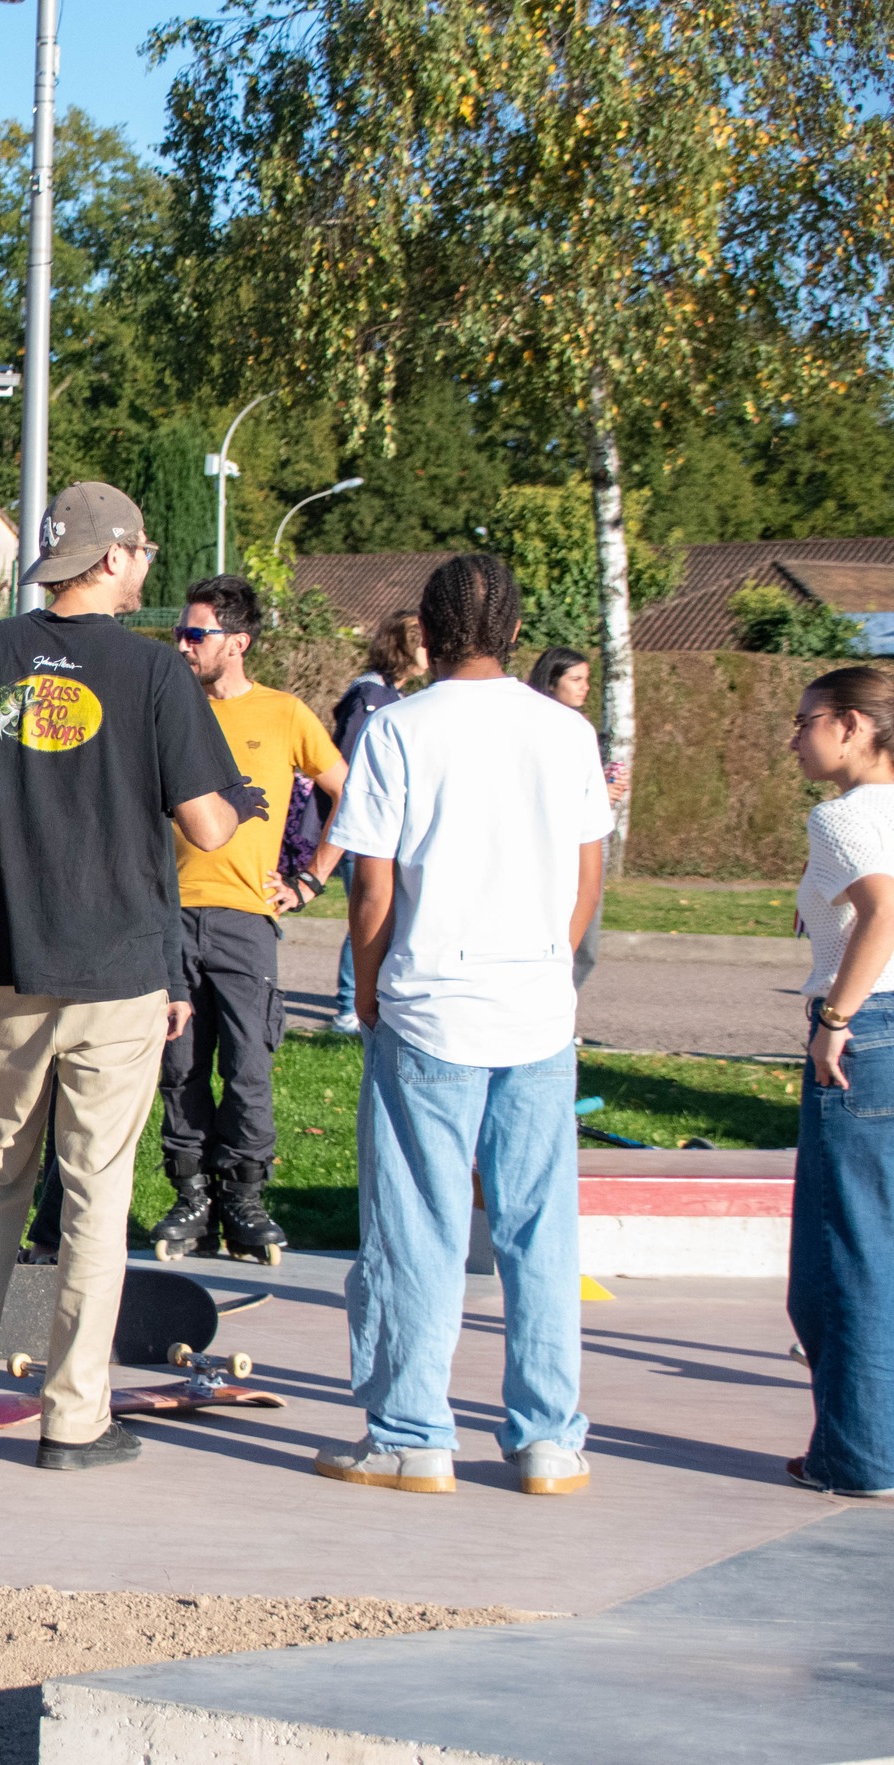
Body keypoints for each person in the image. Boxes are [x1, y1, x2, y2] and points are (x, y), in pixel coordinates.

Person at [0, 482, 256, 1471]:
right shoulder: (152, 676)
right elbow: (208, 826)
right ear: (109, 558)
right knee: (94, 1190)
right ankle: (70, 1417)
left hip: (0, 961)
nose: (144, 563)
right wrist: (236, 793)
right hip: (115, 972)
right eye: (139, 548)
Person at [318, 554, 611, 1498]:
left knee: (418, 1224)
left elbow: (373, 885)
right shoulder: (565, 732)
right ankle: (548, 1440)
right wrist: (549, 968)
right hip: (535, 1009)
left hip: (428, 1003)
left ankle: (412, 1432)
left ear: (429, 633)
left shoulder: (398, 728)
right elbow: (586, 876)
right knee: (540, 1232)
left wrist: (367, 985)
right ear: (517, 633)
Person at [154, 575, 350, 1264]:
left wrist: (311, 878)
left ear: (236, 643)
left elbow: (350, 794)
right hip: (170, 917)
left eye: (196, 633)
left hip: (246, 919)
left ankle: (244, 1196)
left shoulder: (285, 714)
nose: (182, 643)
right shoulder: (167, 704)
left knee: (246, 1067)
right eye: (181, 630)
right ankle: (190, 1195)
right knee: (177, 1065)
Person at [785, 664, 894, 1498]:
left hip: (869, 1033)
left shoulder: (843, 816)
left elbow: (887, 909)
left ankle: (858, 1456)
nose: (796, 735)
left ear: (853, 725)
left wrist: (835, 1019)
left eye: (807, 720)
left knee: (843, 1255)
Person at [326, 610, 426, 1035]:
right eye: (421, 642)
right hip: (363, 832)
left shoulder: (398, 698)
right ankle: (348, 1005)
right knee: (368, 911)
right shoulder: (370, 696)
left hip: (391, 834)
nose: (429, 651)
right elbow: (348, 766)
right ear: (402, 647)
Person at [528, 646, 631, 994]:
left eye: (586, 680)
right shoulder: (536, 728)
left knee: (585, 943)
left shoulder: (581, 729)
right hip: (554, 848)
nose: (584, 687)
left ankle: (560, 1007)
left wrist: (605, 792)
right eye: (575, 679)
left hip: (586, 843)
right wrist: (601, 793)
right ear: (551, 681)